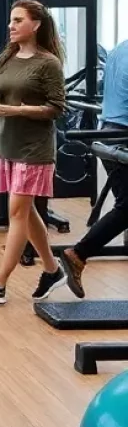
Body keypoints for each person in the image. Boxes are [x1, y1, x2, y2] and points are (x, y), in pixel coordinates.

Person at [0, 0, 67, 305]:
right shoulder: (6, 58)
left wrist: (15, 109)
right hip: (7, 145)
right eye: (11, 20)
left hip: (34, 149)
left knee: (17, 213)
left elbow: (56, 108)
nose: (11, 25)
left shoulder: (48, 63)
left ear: (35, 25)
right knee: (27, 211)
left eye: (18, 20)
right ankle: (52, 269)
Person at [62, 37, 128, 296]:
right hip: (121, 138)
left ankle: (79, 254)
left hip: (109, 132)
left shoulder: (121, 48)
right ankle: (78, 253)